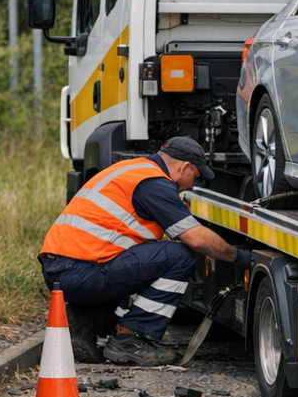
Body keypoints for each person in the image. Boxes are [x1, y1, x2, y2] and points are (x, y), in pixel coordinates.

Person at [39, 136, 250, 366]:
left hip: (63, 269)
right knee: (179, 257)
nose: (191, 186)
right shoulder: (154, 183)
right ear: (185, 167)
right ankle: (128, 340)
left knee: (143, 258)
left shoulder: (134, 170)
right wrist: (239, 257)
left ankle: (84, 322)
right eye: (195, 178)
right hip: (80, 271)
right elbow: (196, 239)